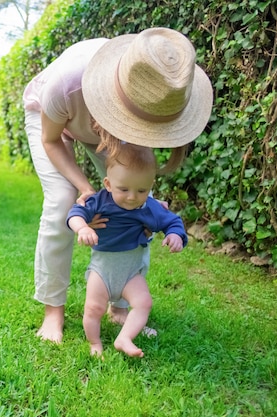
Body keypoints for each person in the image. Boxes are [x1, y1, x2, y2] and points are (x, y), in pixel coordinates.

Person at [22, 27, 213, 343]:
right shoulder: (67, 84)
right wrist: (85, 189)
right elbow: (51, 139)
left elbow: (136, 189)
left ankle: (121, 306)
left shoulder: (156, 95)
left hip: (114, 119)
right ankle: (53, 310)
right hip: (55, 121)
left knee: (137, 199)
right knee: (62, 201)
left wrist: (150, 210)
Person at [67, 143, 187, 357]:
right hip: (103, 270)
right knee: (94, 309)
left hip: (131, 272)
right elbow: (75, 213)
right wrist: (82, 227)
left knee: (143, 303)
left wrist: (175, 235)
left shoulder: (149, 207)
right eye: (124, 189)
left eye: (142, 190)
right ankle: (94, 344)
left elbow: (173, 222)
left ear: (150, 186)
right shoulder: (100, 201)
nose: (132, 197)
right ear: (108, 184)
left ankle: (124, 337)